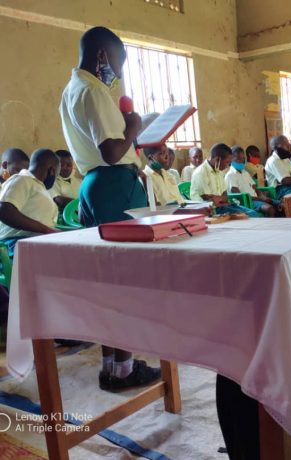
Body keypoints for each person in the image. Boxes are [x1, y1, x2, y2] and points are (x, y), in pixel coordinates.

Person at [59, 26, 160, 392]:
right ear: (102, 55)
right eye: (117, 63)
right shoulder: (94, 90)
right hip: (114, 185)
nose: (117, 73)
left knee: (106, 281)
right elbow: (112, 151)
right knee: (125, 280)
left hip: (94, 188)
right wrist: (134, 128)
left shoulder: (70, 91)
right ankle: (124, 368)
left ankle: (112, 365)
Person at [0, 149, 59, 257]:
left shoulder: (39, 187)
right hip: (16, 244)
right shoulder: (22, 179)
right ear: (52, 171)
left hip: (35, 242)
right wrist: (47, 230)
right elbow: (4, 210)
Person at [190, 143, 258, 217]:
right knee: (249, 216)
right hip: (211, 211)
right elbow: (210, 201)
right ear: (217, 159)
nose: (227, 166)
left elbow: (225, 196)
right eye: (227, 162)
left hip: (223, 206)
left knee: (253, 213)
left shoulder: (219, 171)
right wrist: (220, 200)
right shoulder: (201, 172)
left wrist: (220, 199)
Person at [225, 146, 277, 217]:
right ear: (231, 160)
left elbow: (255, 187)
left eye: (243, 159)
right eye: (238, 159)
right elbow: (240, 196)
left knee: (279, 204)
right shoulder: (230, 175)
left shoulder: (245, 173)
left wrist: (262, 196)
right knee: (270, 209)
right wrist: (261, 199)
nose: (242, 161)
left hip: (256, 199)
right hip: (246, 202)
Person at [265, 135, 291, 199]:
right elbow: (285, 181)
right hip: (279, 190)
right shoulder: (273, 160)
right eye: (285, 144)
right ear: (275, 147)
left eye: (288, 143)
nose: (288, 146)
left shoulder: (286, 160)